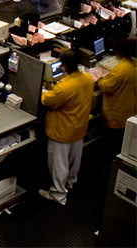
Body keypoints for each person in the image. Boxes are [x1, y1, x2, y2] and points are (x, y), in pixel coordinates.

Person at [39, 50, 94, 205]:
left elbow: (48, 101)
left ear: (63, 66)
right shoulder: (88, 79)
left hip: (62, 131)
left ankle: (58, 194)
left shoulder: (65, 88)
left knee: (59, 164)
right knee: (74, 160)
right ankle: (70, 182)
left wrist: (43, 91)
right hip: (79, 128)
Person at [95, 38, 137, 164]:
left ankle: (107, 171)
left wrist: (100, 77)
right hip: (128, 112)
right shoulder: (134, 65)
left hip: (114, 117)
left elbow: (106, 87)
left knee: (109, 147)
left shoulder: (121, 70)